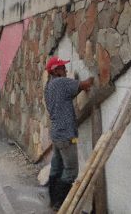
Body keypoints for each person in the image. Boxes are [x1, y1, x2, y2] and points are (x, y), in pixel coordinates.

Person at [44, 56, 94, 210]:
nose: (65, 70)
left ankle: (53, 201)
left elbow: (70, 92)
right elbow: (85, 84)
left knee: (56, 168)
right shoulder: (61, 82)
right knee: (71, 170)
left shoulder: (49, 86)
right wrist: (93, 78)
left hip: (57, 134)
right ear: (55, 71)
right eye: (62, 68)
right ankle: (61, 204)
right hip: (67, 135)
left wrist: (78, 87)